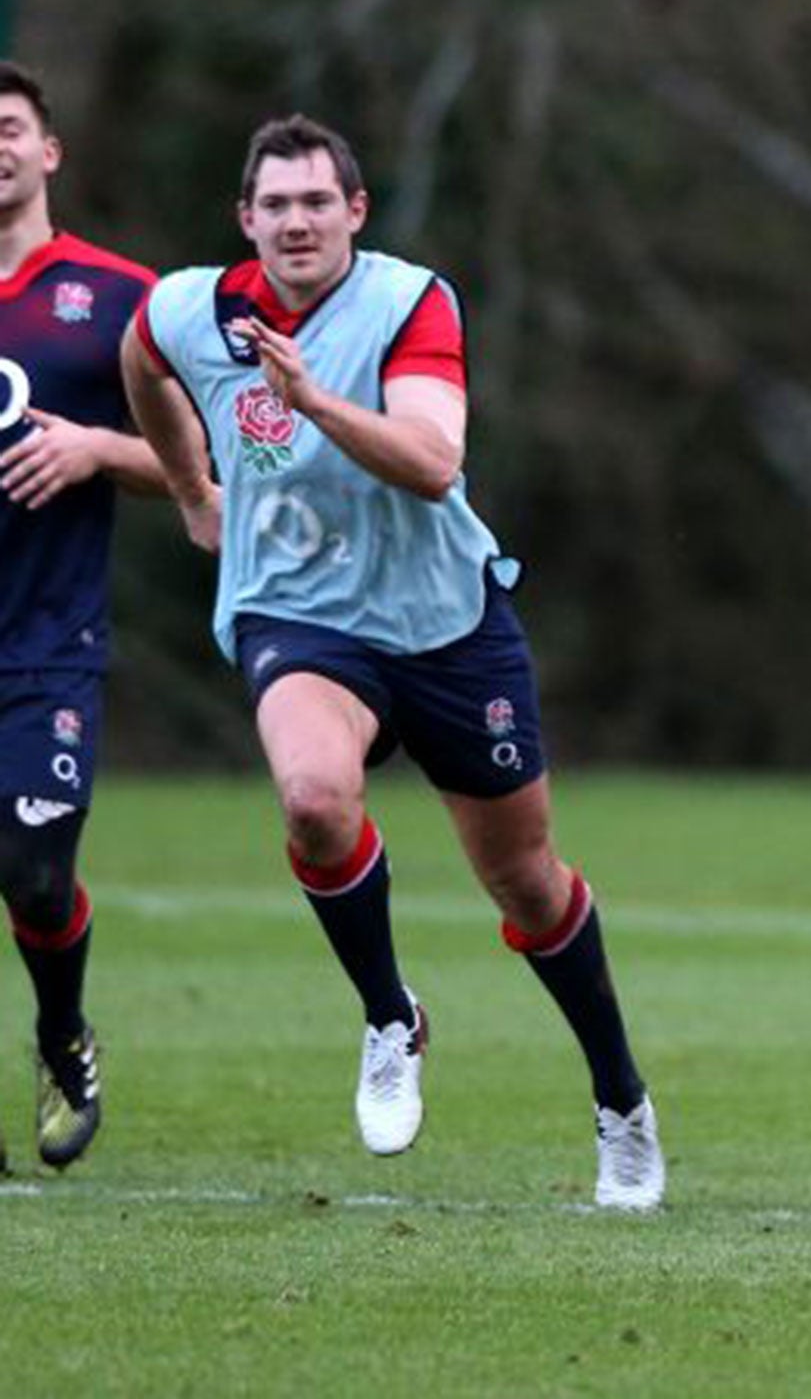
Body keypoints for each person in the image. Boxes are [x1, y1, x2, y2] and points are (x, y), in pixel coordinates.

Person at [119, 114, 664, 1209]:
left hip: (445, 624)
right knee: (315, 802)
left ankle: (621, 1102)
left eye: (316, 201)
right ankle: (388, 1017)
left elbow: (432, 460)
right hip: (298, 616)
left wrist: (316, 399)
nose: (295, 222)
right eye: (274, 205)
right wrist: (189, 491)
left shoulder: (411, 301)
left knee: (526, 882)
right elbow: (140, 359)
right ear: (246, 220)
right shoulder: (193, 306)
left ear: (355, 213)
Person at [0, 61, 162, 1172]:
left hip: (47, 644)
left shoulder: (117, 299)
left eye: (6, 128)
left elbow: (203, 463)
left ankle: (63, 1033)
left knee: (35, 873)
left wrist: (100, 447)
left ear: (48, 151)